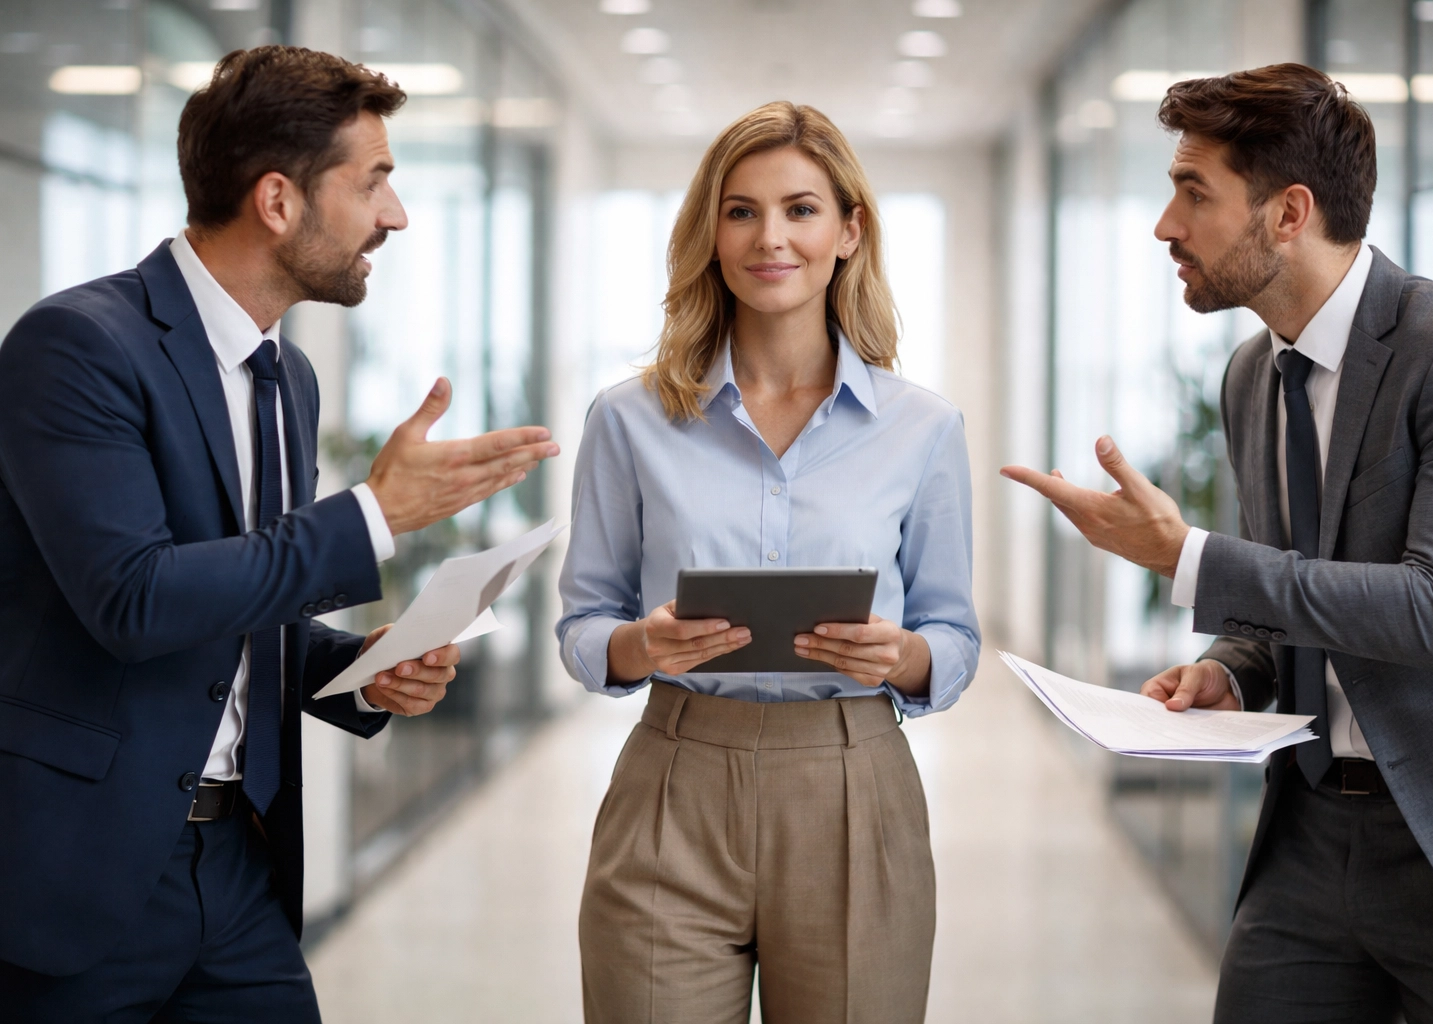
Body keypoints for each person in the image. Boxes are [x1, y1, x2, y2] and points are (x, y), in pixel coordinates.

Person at [0, 46, 558, 1020]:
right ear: (277, 201)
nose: (396, 214)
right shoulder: (76, 346)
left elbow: (244, 610)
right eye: (374, 180)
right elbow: (133, 600)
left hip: (240, 867)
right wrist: (375, 516)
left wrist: (356, 669)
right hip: (88, 871)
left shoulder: (285, 379)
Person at [1003, 63, 1433, 1021]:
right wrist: (1234, 669)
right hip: (1309, 832)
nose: (1167, 225)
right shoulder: (1253, 375)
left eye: (1193, 192)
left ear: (1288, 213)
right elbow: (1288, 593)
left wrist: (1186, 557)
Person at [556, 101, 979, 1024]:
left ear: (848, 231)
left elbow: (952, 634)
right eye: (740, 210)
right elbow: (584, 624)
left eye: (800, 209)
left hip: (853, 781)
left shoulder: (924, 429)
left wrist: (900, 657)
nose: (769, 238)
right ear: (709, 233)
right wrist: (642, 646)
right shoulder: (627, 421)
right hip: (673, 784)